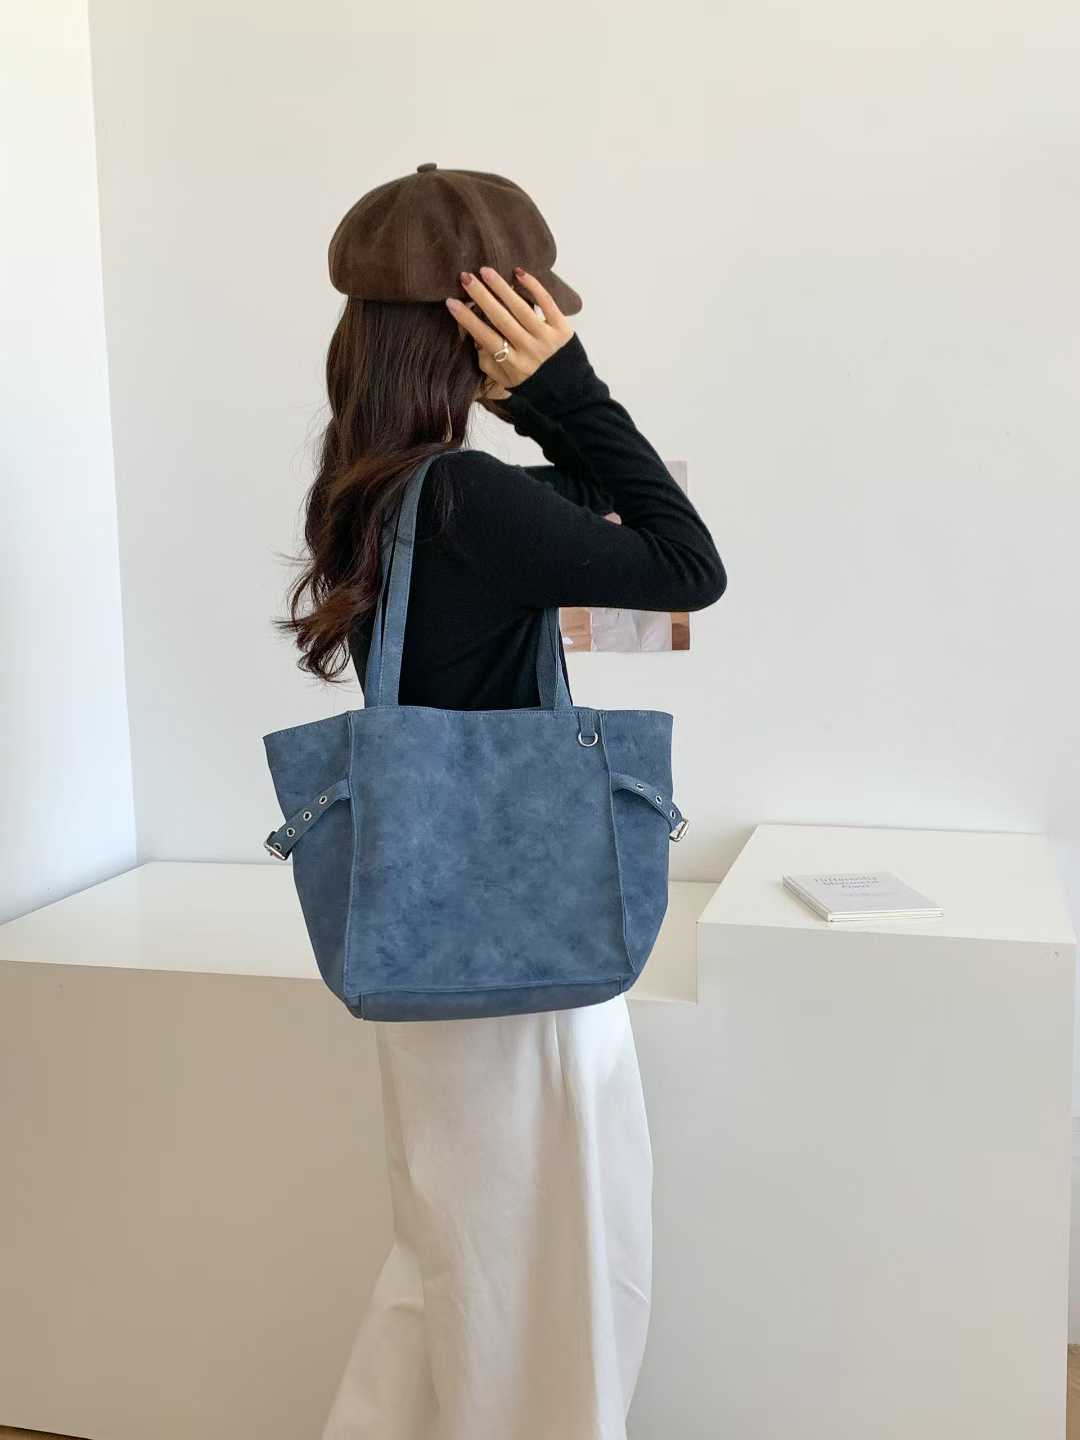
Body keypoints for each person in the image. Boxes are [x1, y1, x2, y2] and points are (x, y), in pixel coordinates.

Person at [278, 165, 727, 1440]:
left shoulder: (378, 490)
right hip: (525, 955)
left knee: (457, 1271)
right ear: (477, 329)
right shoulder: (468, 498)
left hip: (435, 942)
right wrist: (565, 390)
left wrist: (540, 405)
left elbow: (614, 517)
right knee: (556, 1278)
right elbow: (687, 562)